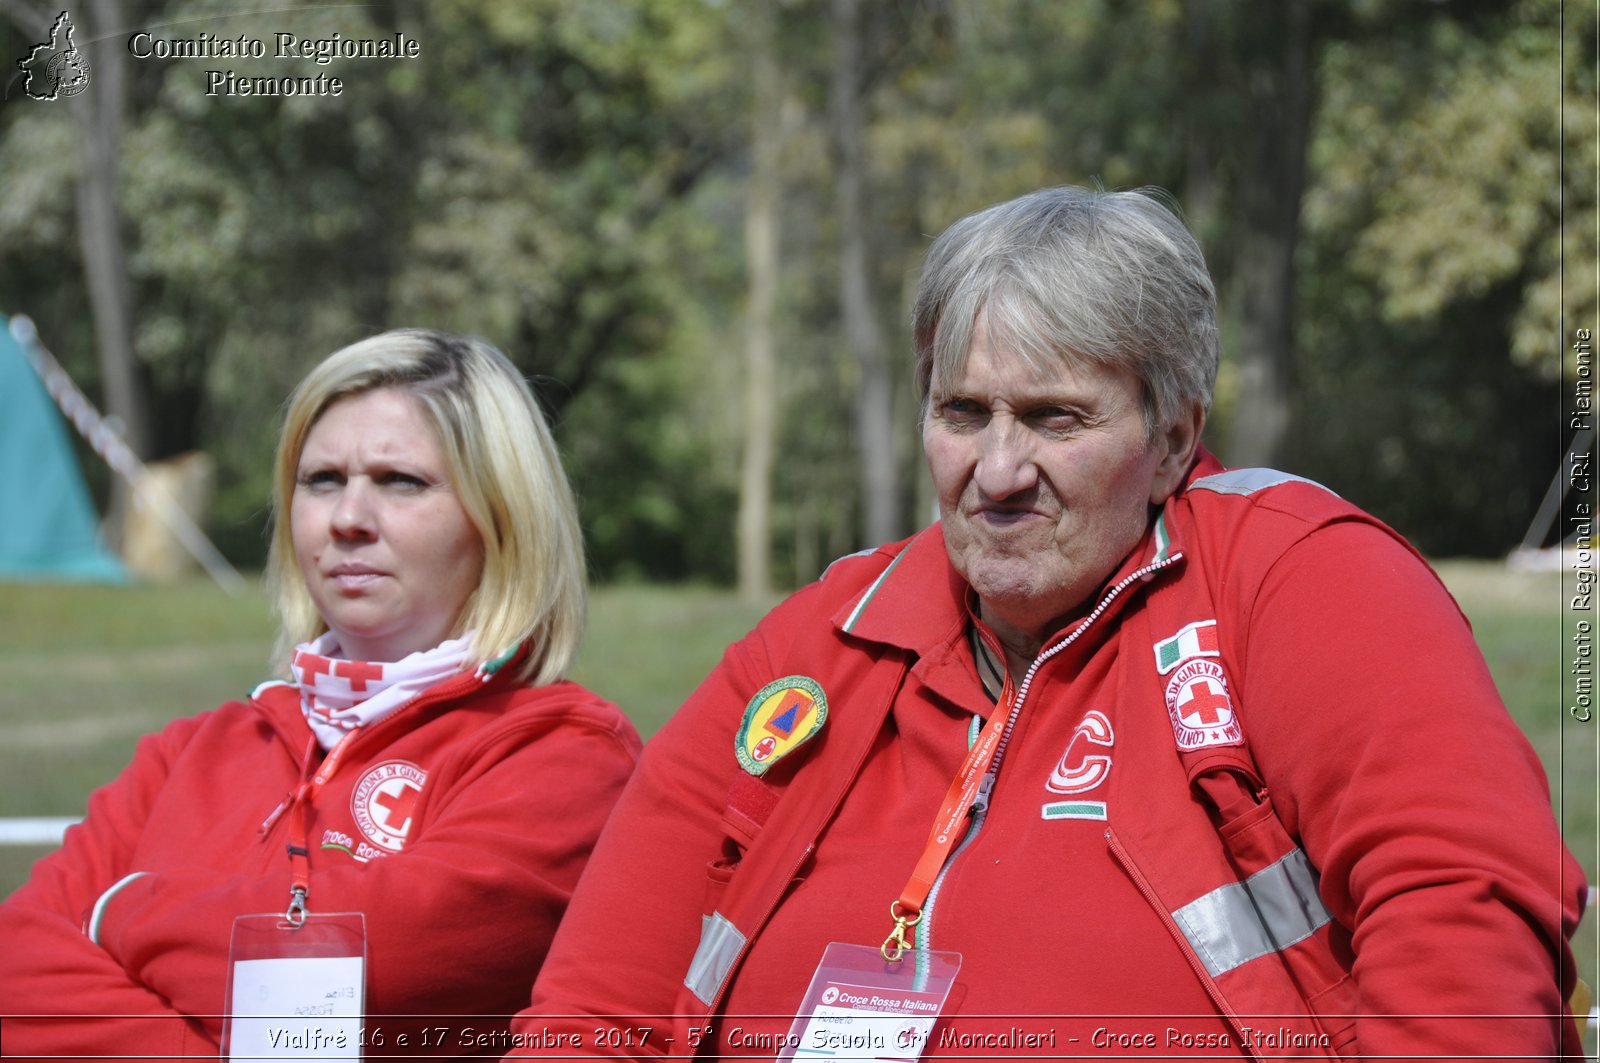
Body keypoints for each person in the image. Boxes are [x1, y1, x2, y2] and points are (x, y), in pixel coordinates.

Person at [511, 187, 1585, 1059]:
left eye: (1056, 418)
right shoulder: (823, 642)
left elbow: (1461, 918)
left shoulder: (1295, 575)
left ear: (1173, 436)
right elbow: (593, 1013)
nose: (998, 472)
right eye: (962, 412)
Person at [0, 329, 641, 1056]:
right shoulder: (193, 749)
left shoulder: (562, 754)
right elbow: (15, 966)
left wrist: (116, 913)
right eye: (322, 479)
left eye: (402, 481)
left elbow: (373, 967)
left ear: (501, 518)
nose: (347, 519)